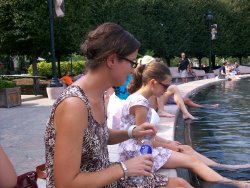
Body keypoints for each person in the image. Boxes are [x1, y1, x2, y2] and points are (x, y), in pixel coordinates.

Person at [45, 22, 191, 188]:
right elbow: (64, 183)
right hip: (96, 181)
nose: (133, 70)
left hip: (104, 179)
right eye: (131, 62)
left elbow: (97, 136)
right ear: (112, 60)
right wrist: (124, 168)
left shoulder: (97, 94)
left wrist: (131, 132)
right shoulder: (74, 105)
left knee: (178, 183)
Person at [118, 60, 250, 187]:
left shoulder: (139, 99)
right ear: (153, 82)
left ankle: (223, 168)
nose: (166, 90)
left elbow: (147, 134)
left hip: (137, 148)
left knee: (186, 148)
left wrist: (168, 143)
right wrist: (168, 146)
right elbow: (142, 140)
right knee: (191, 161)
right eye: (165, 86)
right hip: (136, 153)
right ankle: (232, 182)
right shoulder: (140, 104)